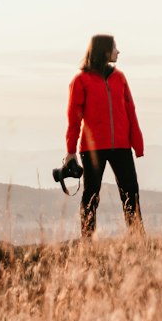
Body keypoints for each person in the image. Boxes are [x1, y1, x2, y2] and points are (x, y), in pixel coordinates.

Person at [66, 34, 144, 238]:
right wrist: (70, 151)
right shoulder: (81, 80)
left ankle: (137, 238)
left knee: (131, 192)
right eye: (114, 48)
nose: (118, 52)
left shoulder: (120, 78)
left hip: (121, 146)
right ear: (104, 51)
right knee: (91, 195)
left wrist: (137, 144)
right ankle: (87, 240)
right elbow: (74, 119)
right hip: (92, 149)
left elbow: (130, 110)